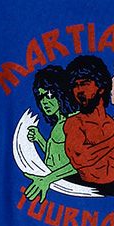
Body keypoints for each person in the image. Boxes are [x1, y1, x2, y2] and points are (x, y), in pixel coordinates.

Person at [63, 55, 114, 186]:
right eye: (75, 85)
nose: (79, 91)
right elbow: (79, 160)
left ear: (101, 87)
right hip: (85, 190)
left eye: (85, 83)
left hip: (113, 188)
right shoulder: (75, 123)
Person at [23, 66, 77, 202]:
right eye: (41, 97)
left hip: (69, 186)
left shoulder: (74, 122)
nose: (44, 102)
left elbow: (79, 163)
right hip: (57, 186)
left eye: (49, 95)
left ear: (61, 93)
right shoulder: (59, 123)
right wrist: (39, 138)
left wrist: (47, 179)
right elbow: (55, 155)